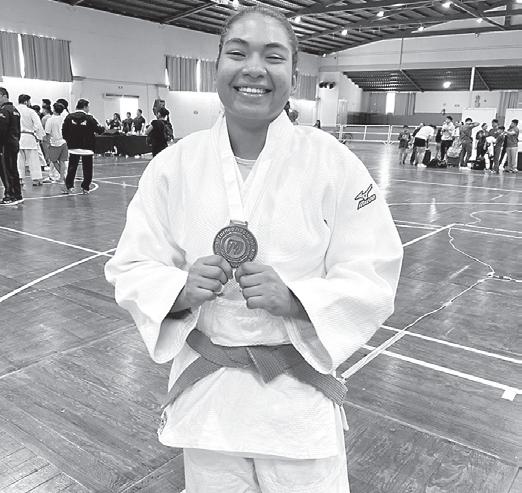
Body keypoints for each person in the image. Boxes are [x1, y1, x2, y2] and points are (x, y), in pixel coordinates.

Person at [105, 6, 403, 492]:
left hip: (296, 399)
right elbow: (132, 264)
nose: (254, 69)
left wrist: (298, 299)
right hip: (208, 397)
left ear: (294, 75)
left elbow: (374, 270)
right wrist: (179, 290)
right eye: (238, 53)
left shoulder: (334, 163)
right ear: (217, 65)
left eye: (273, 56)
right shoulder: (172, 166)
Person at [61, 98, 105, 194]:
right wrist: (103, 127)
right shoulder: (90, 118)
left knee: (72, 168)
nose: (88, 109)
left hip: (73, 147)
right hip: (87, 148)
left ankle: (69, 186)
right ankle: (85, 187)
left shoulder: (69, 117)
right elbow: (100, 130)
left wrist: (69, 140)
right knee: (87, 169)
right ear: (85, 107)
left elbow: (64, 131)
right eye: (88, 107)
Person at [16, 94, 46, 186]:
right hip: (29, 136)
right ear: (26, 102)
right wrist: (39, 137)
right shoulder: (30, 111)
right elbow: (38, 125)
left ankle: (20, 179)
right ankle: (36, 179)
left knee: (19, 159)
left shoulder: (14, 110)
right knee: (33, 159)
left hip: (17, 137)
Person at [0, 87, 23, 205]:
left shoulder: (4, 111)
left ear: (4, 96)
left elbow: (1, 130)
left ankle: (10, 195)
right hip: (14, 143)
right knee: (13, 169)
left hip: (5, 145)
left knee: (6, 170)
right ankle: (17, 194)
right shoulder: (15, 110)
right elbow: (18, 129)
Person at [44, 102, 68, 184]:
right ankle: (62, 178)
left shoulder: (50, 120)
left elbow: (47, 133)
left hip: (54, 143)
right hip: (63, 142)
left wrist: (48, 144)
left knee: (54, 161)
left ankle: (63, 177)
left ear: (53, 109)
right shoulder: (64, 119)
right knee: (62, 161)